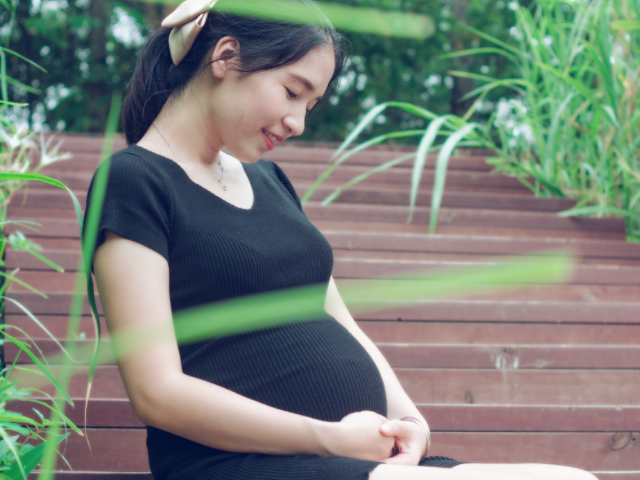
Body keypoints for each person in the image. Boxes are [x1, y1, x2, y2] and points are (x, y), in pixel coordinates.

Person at [82, 0, 598, 479]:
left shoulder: (269, 181)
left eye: (312, 103)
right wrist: (329, 438)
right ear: (226, 56)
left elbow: (338, 319)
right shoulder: (134, 181)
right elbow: (156, 392)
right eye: (292, 91)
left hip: (351, 457)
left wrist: (408, 420)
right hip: (243, 462)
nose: (299, 122)